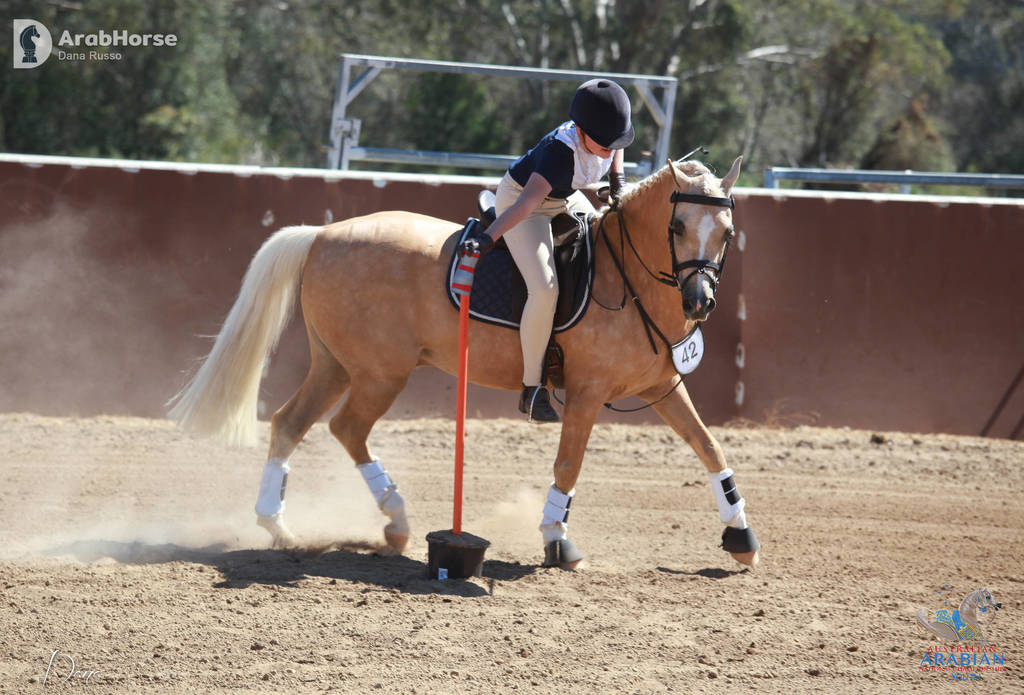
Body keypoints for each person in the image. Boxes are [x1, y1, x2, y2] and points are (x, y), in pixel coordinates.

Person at [460, 78, 633, 423]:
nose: (611, 148)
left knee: (607, 242)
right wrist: (489, 238)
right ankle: (532, 387)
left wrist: (618, 184)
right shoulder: (558, 154)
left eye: (616, 140)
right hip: (525, 204)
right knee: (544, 290)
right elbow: (525, 205)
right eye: (604, 143)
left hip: (564, 197)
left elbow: (618, 148)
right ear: (582, 131)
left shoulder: (608, 133)